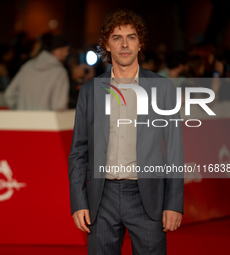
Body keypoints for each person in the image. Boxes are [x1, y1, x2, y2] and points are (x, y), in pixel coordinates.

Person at [68, 9, 184, 255]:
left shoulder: (162, 88)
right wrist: (78, 202)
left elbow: (174, 151)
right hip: (101, 197)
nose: (124, 44)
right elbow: (78, 151)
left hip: (148, 198)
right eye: (116, 38)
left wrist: (174, 204)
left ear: (140, 43)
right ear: (106, 45)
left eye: (131, 37)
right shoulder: (90, 91)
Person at [4, 35, 70, 111]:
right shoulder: (60, 72)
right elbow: (59, 106)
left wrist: (20, 110)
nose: (67, 54)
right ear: (57, 50)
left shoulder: (28, 66)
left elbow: (9, 95)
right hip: (46, 121)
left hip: (22, 120)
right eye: (66, 50)